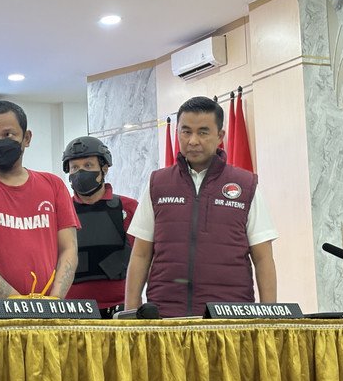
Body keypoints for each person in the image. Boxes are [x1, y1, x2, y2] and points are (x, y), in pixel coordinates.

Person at [124, 96, 278, 317]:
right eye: (186, 132)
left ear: (220, 136)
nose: (193, 141)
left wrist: (269, 317)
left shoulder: (245, 185)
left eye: (203, 132)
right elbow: (140, 254)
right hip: (166, 316)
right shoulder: (158, 184)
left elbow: (263, 258)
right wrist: (130, 313)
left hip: (230, 317)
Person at [0, 100, 80, 318]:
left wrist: (54, 304)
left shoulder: (53, 185)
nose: (0, 141)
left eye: (8, 134)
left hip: (49, 316)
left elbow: (69, 249)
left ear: (26, 138)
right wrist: (20, 306)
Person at [61, 136, 138, 318]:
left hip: (120, 311)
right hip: (71, 312)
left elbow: (144, 259)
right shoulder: (61, 211)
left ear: (104, 168)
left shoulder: (128, 207)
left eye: (88, 165)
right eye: (74, 167)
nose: (80, 172)